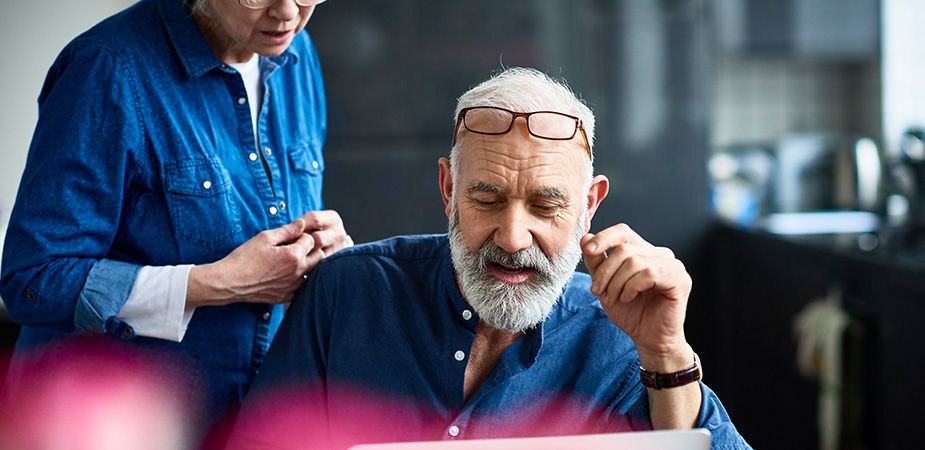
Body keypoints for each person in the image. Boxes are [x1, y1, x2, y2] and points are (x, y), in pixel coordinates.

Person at [228, 67, 751, 449]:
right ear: (449, 189)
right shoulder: (345, 293)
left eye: (546, 205)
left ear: (589, 206)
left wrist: (666, 355)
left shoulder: (619, 334)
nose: (515, 237)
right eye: (487, 199)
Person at [0, 0, 349, 442]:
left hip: (247, 422)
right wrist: (213, 283)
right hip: (124, 430)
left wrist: (326, 254)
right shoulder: (106, 69)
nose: (286, 13)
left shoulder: (295, 54)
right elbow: (32, 280)